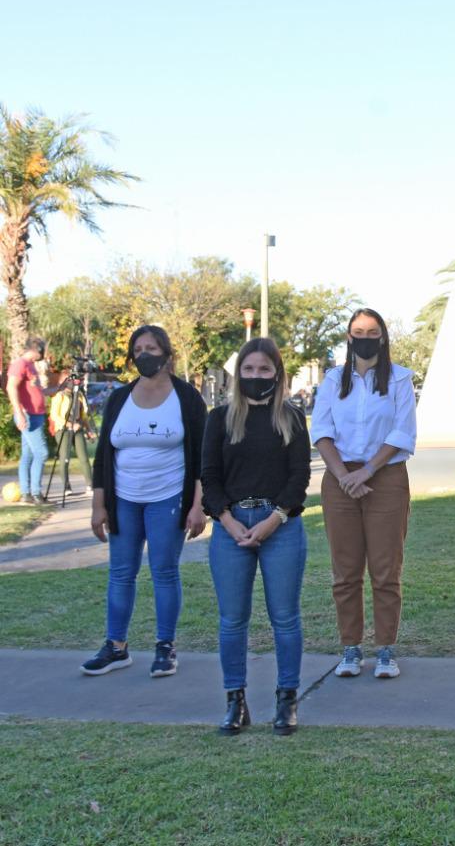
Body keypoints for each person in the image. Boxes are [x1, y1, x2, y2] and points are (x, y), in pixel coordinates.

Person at [82, 325, 208, 677]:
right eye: (138, 349)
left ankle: (165, 647)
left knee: (164, 572)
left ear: (167, 353)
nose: (144, 354)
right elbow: (104, 456)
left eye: (151, 348)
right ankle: (116, 646)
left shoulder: (187, 397)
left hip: (168, 498)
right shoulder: (121, 398)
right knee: (121, 573)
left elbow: (202, 457)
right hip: (123, 500)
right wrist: (98, 504)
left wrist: (198, 506)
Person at [201, 338, 311, 736]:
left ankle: (287, 699)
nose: (256, 376)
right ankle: (236, 701)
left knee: (284, 618)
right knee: (232, 621)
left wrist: (273, 520)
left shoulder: (292, 417)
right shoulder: (220, 418)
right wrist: (229, 522)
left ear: (277, 373)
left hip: (279, 525)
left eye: (264, 370)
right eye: (248, 370)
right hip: (231, 526)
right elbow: (209, 478)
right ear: (238, 374)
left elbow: (300, 477)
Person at [312, 308, 417, 680]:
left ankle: (385, 649)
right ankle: (350, 648)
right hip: (340, 480)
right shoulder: (331, 380)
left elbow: (403, 432)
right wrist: (343, 475)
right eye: (358, 331)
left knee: (386, 571)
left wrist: (368, 470)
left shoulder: (400, 379)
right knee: (345, 571)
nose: (365, 336)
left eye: (372, 331)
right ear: (348, 337)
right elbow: (321, 431)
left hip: (385, 478)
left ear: (383, 337)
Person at [7, 337, 58, 504]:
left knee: (28, 455)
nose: (43, 353)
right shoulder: (20, 364)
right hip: (27, 415)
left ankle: (26, 494)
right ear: (36, 349)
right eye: (42, 349)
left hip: (36, 415)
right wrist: (19, 412)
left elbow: (40, 391)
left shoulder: (31, 366)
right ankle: (35, 494)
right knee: (41, 453)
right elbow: (11, 387)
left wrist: (62, 387)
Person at [50, 376, 96, 496]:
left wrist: (89, 429)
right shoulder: (59, 396)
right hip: (63, 429)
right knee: (64, 458)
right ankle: (66, 487)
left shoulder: (80, 396)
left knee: (84, 457)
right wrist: (70, 424)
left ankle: (90, 485)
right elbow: (55, 415)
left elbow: (83, 415)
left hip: (78, 428)